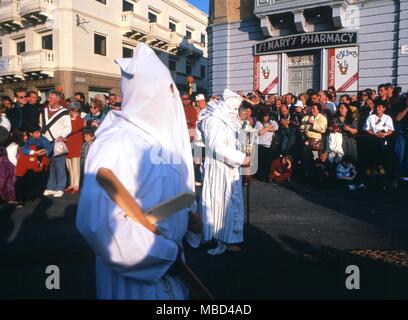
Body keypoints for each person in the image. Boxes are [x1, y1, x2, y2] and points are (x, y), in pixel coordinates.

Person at [76, 43, 202, 300]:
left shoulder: (158, 141)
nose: (173, 98)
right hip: (138, 279)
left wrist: (187, 218)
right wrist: (162, 255)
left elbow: (157, 200)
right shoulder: (116, 143)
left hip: (171, 268)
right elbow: (100, 224)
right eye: (167, 90)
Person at [201, 89, 251, 256]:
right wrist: (241, 158)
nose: (236, 112)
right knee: (220, 203)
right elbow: (217, 146)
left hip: (230, 169)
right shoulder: (214, 120)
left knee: (229, 204)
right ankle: (221, 238)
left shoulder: (228, 119)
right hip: (219, 169)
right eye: (234, 108)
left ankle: (230, 238)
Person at [40, 91, 72, 198]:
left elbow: (68, 127)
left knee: (59, 166)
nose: (49, 99)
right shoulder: (43, 111)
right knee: (50, 166)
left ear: (58, 99)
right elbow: (40, 125)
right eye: (48, 97)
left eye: (51, 98)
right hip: (46, 142)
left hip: (57, 142)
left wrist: (62, 136)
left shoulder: (64, 112)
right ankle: (51, 187)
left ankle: (60, 187)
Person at [15, 125, 52, 206]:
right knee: (24, 180)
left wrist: (46, 152)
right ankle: (22, 199)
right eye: (37, 133)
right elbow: (23, 149)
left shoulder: (43, 139)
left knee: (38, 179)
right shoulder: (27, 140)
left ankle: (34, 194)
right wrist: (34, 152)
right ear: (31, 133)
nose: (39, 134)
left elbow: (49, 147)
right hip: (28, 164)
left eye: (40, 132)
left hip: (39, 161)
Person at [65, 102, 85, 194]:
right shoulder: (66, 119)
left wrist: (74, 119)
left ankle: (76, 185)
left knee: (76, 165)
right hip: (68, 143)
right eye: (72, 110)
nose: (74, 112)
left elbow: (73, 129)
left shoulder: (81, 120)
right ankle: (72, 184)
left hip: (76, 143)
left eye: (76, 110)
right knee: (69, 165)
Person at [254, 110, 279, 181]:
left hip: (268, 145)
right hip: (260, 144)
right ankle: (259, 176)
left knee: (267, 162)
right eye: (265, 116)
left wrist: (265, 128)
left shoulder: (271, 122)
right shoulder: (258, 123)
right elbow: (260, 132)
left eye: (267, 116)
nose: (266, 118)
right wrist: (268, 128)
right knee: (260, 162)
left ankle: (264, 176)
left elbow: (276, 128)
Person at [0, 127, 15, 204]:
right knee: (5, 177)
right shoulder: (3, 129)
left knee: (4, 177)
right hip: (3, 154)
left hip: (2, 154)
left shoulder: (2, 129)